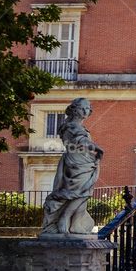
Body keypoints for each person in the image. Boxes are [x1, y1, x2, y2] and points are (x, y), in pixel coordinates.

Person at [41, 98, 104, 235]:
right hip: (77, 163)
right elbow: (81, 141)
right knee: (81, 192)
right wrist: (98, 149)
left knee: (84, 192)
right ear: (75, 109)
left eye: (88, 108)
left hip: (84, 161)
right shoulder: (71, 126)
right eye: (83, 107)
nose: (86, 111)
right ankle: (65, 218)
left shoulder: (76, 126)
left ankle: (75, 223)